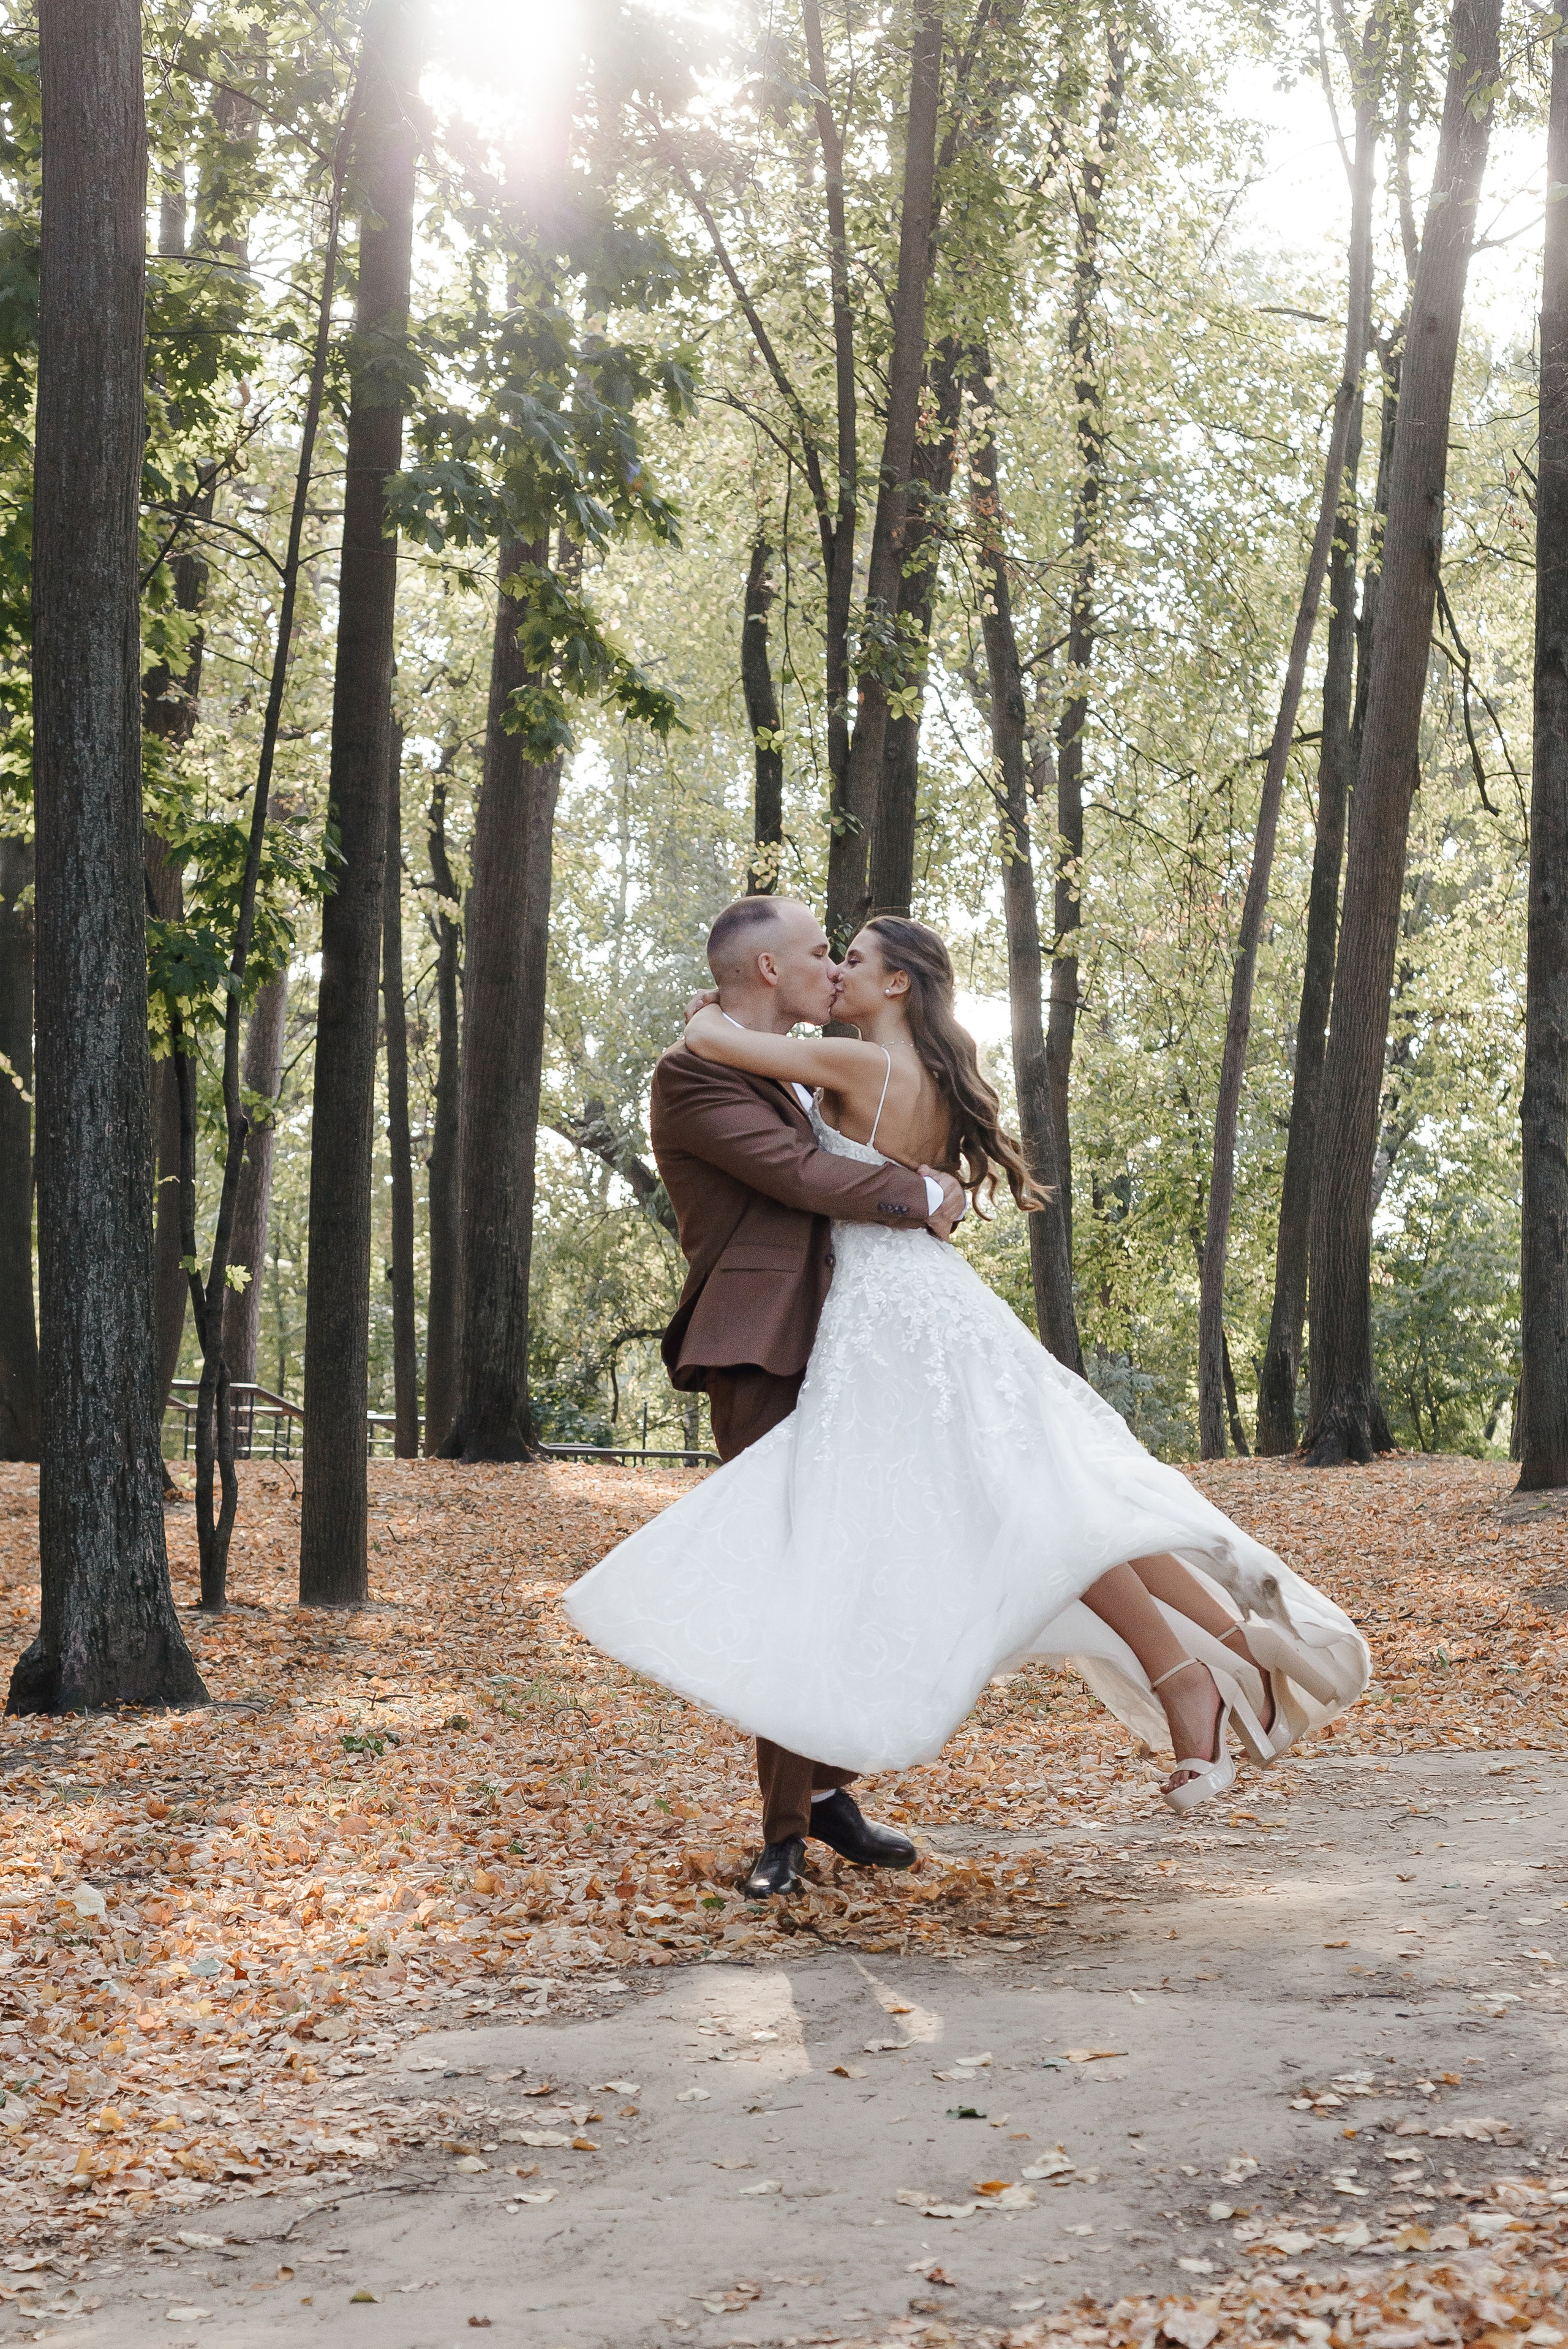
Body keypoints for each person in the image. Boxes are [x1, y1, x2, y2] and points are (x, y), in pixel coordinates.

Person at [567, 903, 1368, 1895]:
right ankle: (1220, 1653)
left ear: (894, 984)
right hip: (791, 1343)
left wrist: (724, 1028)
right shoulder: (714, 1073)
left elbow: (816, 1150)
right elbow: (798, 1169)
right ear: (771, 966)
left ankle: (1181, 1677)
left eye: (846, 955)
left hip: (887, 1325)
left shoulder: (822, 1060)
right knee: (926, 1530)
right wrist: (928, 1192)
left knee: (1024, 1504)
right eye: (823, 952)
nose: (833, 966)